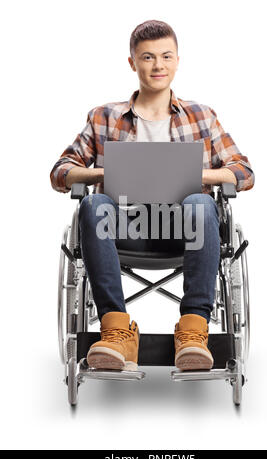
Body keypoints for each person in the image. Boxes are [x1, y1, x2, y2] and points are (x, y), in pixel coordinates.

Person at [50, 20, 254, 372]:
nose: (158, 66)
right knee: (93, 203)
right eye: (147, 57)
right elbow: (60, 172)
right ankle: (116, 332)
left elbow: (244, 172)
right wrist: (103, 173)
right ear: (133, 62)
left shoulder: (201, 117)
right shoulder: (104, 117)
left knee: (201, 202)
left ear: (177, 61)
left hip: (187, 229)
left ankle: (193, 332)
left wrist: (196, 176)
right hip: (123, 229)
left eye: (165, 56)